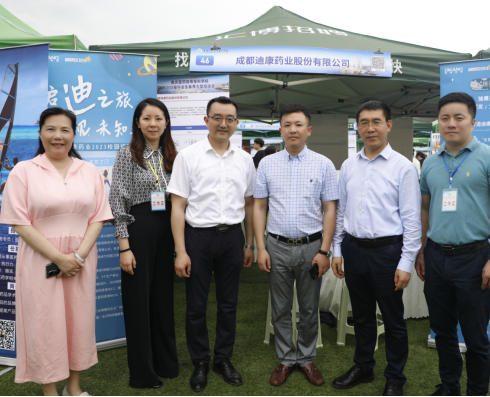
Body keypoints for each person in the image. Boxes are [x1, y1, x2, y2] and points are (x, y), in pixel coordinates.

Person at [0, 107, 113, 397]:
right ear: (40, 133)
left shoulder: (89, 171)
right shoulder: (24, 171)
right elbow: (19, 222)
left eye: (65, 130)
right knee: (44, 324)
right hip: (40, 259)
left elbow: (98, 217)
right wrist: (59, 258)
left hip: (81, 259)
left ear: (74, 134)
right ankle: (49, 391)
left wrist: (78, 256)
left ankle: (73, 388)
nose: (57, 136)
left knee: (79, 322)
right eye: (50, 129)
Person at [415, 92, 490, 397]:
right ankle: (450, 387)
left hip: (474, 258)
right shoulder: (431, 163)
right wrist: (422, 250)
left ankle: (476, 392)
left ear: (473, 121)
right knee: (443, 331)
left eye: (459, 117)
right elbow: (424, 209)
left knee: (475, 336)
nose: (451, 123)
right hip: (435, 256)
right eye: (445, 118)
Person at [332, 100, 421, 397]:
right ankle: (364, 367)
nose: (370, 128)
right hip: (353, 249)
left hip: (387, 253)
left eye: (376, 122)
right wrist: (337, 249)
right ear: (357, 127)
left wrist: (406, 262)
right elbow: (342, 212)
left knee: (393, 319)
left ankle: (395, 377)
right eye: (364, 123)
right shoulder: (348, 166)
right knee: (362, 315)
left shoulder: (403, 167)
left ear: (388, 125)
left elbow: (411, 219)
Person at [168, 96, 256, 393]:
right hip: (198, 238)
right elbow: (177, 206)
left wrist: (249, 244)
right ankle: (200, 362)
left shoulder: (244, 159)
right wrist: (181, 251)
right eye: (217, 117)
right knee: (196, 305)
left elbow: (249, 203)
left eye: (229, 118)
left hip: (232, 237)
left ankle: (222, 358)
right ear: (206, 120)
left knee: (228, 304)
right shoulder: (188, 156)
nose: (223, 123)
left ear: (236, 123)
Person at [254, 102, 338, 387]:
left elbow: (330, 210)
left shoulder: (323, 164)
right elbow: (259, 207)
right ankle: (286, 359)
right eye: (287, 125)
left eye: (298, 125)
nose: (293, 130)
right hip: (276, 245)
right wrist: (260, 247)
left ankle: (307, 358)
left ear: (308, 130)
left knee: (309, 307)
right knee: (280, 308)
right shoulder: (267, 164)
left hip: (311, 246)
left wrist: (324, 251)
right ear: (280, 130)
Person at [109, 98, 179, 388]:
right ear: (137, 123)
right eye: (147, 118)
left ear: (166, 123)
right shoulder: (127, 153)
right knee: (138, 300)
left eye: (158, 118)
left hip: (169, 227)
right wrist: (124, 247)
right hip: (139, 228)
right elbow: (117, 200)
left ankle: (166, 362)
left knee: (163, 297)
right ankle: (142, 373)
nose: (153, 124)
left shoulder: (174, 155)